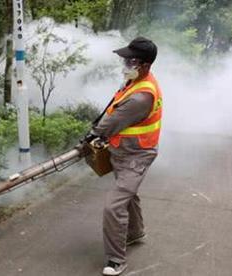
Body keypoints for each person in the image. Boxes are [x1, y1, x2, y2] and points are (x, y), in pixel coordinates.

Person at [86, 36, 162, 276]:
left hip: (136, 156)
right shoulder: (134, 82)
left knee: (113, 207)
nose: (125, 64)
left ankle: (116, 260)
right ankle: (136, 233)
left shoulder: (141, 95)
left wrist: (91, 137)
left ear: (145, 65)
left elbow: (111, 123)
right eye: (125, 59)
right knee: (129, 195)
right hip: (123, 151)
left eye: (131, 60)